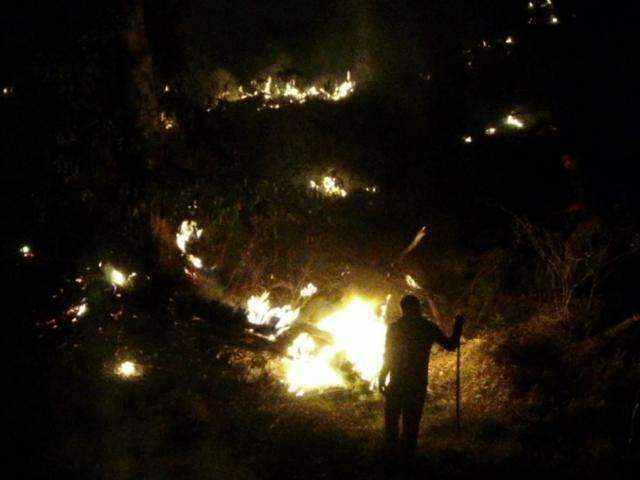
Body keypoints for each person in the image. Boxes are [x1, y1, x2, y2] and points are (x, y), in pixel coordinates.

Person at [378, 294, 465, 459]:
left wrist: (382, 376)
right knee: (411, 425)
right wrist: (458, 328)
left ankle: (389, 460)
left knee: (391, 424)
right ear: (418, 308)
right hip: (417, 382)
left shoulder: (395, 328)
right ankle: (407, 460)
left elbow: (389, 355)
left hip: (396, 381)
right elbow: (451, 345)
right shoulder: (427, 327)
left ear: (402, 309)